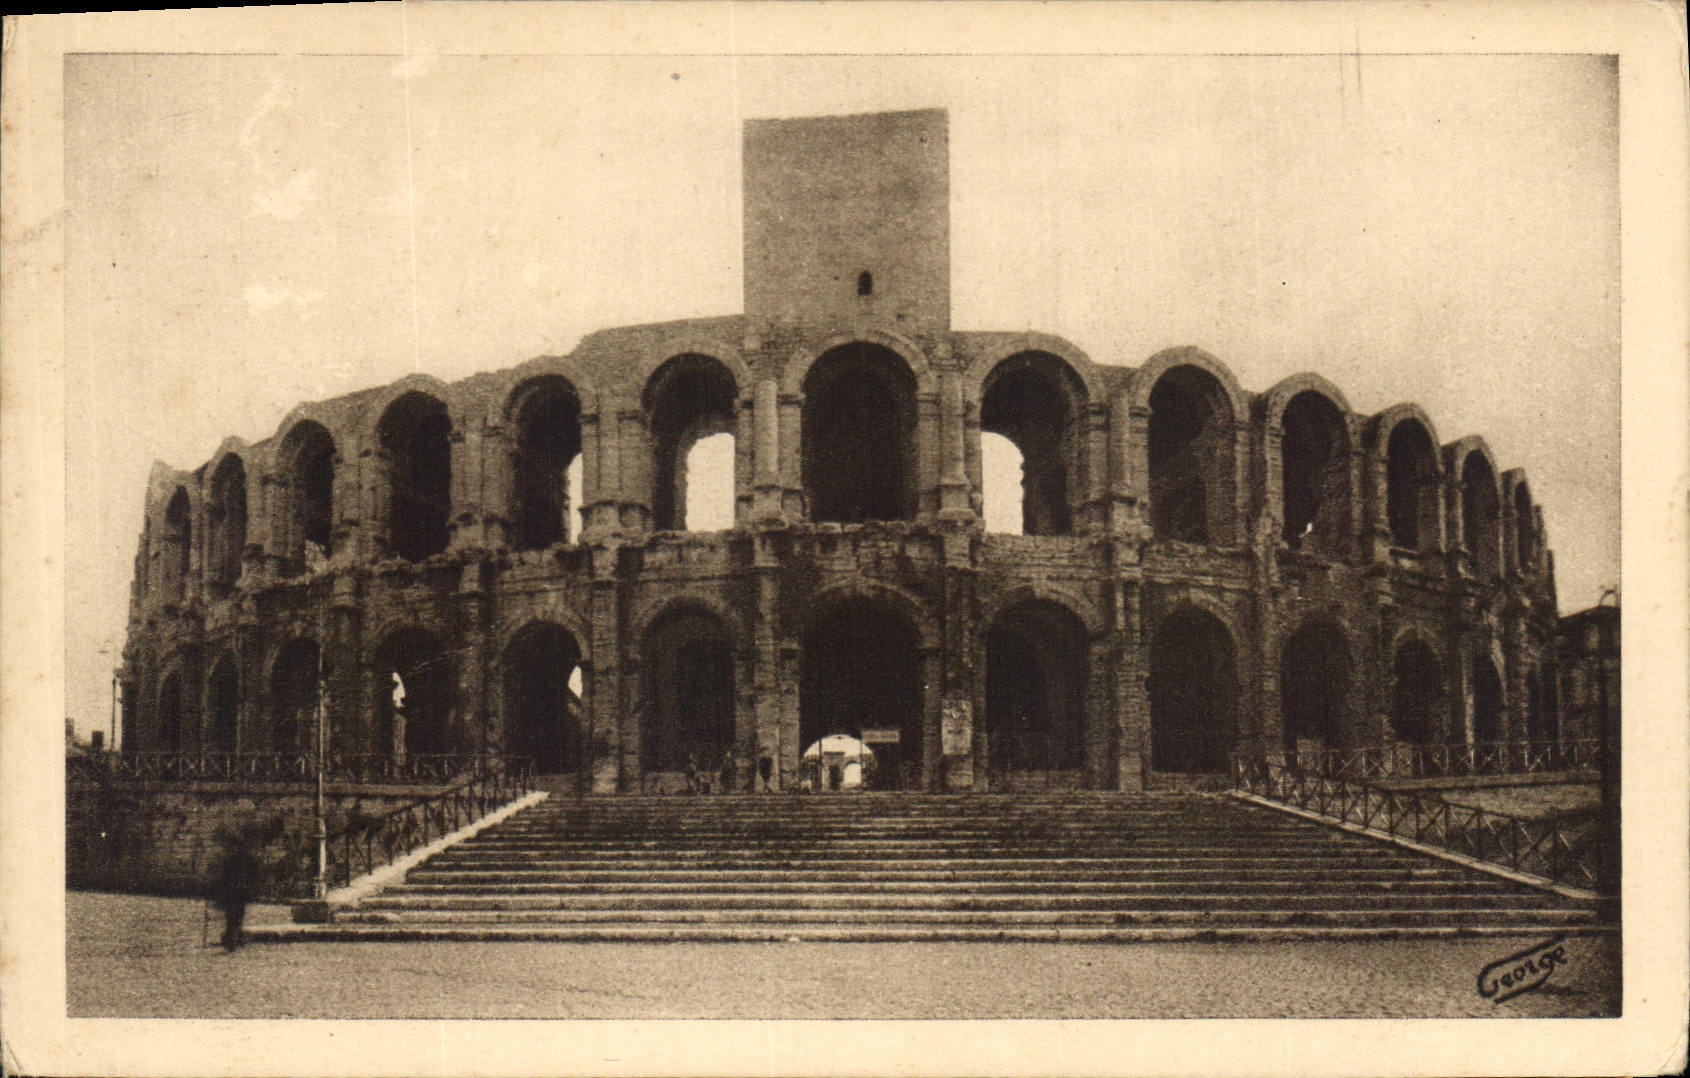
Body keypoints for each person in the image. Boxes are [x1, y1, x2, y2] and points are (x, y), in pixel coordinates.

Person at [211, 840, 261, 951]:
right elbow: (255, 876)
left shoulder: (231, 861)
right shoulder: (246, 861)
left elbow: (223, 879)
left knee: (232, 918)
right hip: (238, 893)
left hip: (234, 893)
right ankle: (233, 939)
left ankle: (232, 939)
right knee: (236, 917)